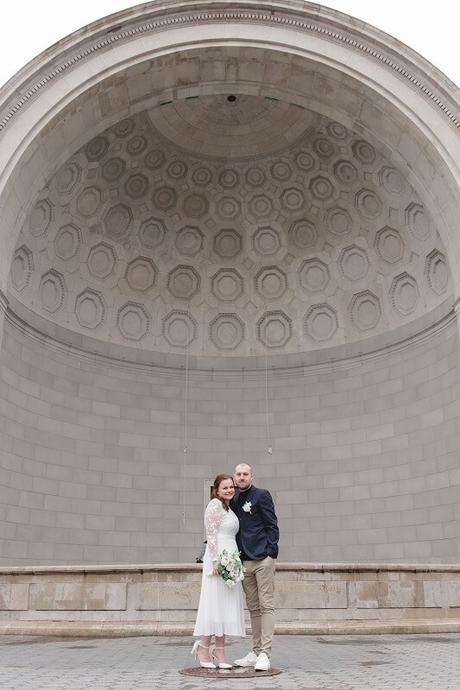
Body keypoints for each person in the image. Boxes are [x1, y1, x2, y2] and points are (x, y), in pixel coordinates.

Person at [192, 474, 245, 669]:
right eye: (225, 487)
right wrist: (215, 561)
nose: (230, 490)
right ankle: (203, 647)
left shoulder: (229, 508)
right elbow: (211, 534)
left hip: (230, 557)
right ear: (217, 490)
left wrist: (234, 562)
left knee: (225, 604)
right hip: (217, 558)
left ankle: (220, 650)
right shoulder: (214, 504)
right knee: (214, 603)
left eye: (231, 487)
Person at [231, 463, 279, 672]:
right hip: (244, 561)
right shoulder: (232, 500)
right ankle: (255, 650)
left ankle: (265, 654)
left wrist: (271, 552)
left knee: (266, 605)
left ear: (252, 476)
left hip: (262, 559)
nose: (242, 477)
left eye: (245, 474)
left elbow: (272, 524)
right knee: (253, 608)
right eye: (239, 474)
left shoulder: (261, 495)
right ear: (235, 476)